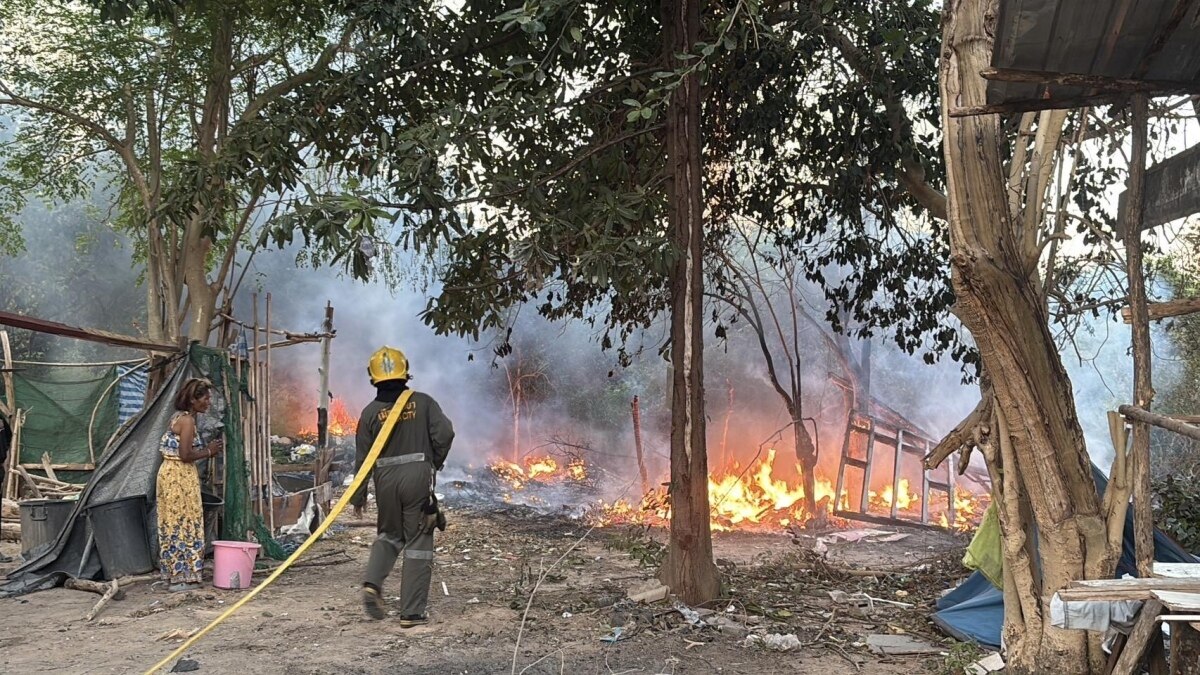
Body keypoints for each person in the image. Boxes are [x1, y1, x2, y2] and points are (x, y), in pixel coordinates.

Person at [351, 346, 454, 626]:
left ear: (373, 378)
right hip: (416, 477)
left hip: (384, 480)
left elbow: (363, 459)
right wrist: (434, 461)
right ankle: (411, 612)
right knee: (419, 541)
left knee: (388, 535)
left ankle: (372, 584)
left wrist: (358, 497)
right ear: (405, 372)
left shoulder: (369, 413)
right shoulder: (423, 402)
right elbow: (445, 433)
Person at [156, 377, 224, 592]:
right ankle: (183, 577)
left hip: (169, 474)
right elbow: (185, 455)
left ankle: (172, 574)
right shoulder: (187, 421)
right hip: (179, 477)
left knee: (172, 523)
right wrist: (209, 451)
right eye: (205, 398)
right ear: (193, 400)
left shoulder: (178, 417)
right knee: (185, 523)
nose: (208, 402)